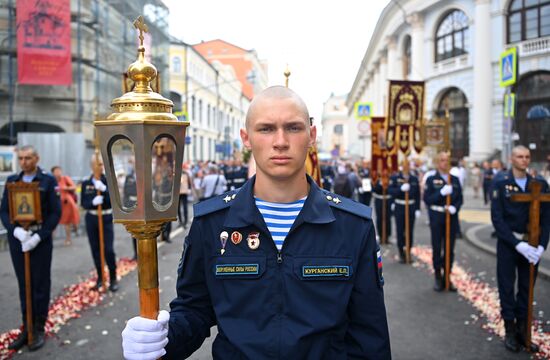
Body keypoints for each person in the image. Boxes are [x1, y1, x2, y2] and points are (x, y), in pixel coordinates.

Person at [121, 86, 391, 359]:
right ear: (246, 138)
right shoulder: (213, 223)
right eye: (266, 129)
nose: (281, 141)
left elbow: (369, 334)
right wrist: (162, 339)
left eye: (293, 128)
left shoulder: (352, 225)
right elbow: (195, 309)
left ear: (312, 136)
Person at [0, 145, 61, 351]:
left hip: (39, 241)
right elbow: (5, 211)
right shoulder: (12, 181)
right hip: (19, 239)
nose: (24, 162)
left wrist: (38, 236)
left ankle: (38, 327)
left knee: (40, 285)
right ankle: (26, 327)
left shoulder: (48, 180)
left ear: (36, 158)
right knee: (24, 284)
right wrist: (14, 231)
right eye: (21, 158)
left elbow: (55, 212)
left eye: (28, 158)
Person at [491, 145, 549, 353]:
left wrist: (541, 245)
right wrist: (518, 244)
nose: (524, 160)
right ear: (511, 158)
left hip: (532, 245)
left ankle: (524, 331)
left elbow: (546, 218)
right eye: (519, 156)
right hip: (509, 244)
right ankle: (510, 330)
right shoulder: (500, 183)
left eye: (527, 157)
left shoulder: (539, 184)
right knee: (507, 287)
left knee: (527, 288)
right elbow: (497, 219)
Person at [423, 151, 463, 292]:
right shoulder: (431, 179)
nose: (444, 163)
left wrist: (455, 207)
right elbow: (427, 199)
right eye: (441, 160)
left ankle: (447, 275)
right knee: (437, 246)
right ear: (437, 162)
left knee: (449, 248)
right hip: (437, 216)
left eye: (446, 160)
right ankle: (438, 277)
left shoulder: (455, 179)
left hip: (450, 216)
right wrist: (441, 193)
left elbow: (460, 198)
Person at [81, 154, 118, 292]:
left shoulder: (108, 181)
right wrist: (92, 202)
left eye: (102, 164)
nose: (100, 167)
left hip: (106, 218)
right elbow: (83, 203)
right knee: (95, 250)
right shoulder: (86, 183)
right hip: (92, 218)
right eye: (98, 164)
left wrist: (105, 190)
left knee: (108, 250)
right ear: (92, 166)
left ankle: (113, 278)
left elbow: (115, 202)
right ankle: (100, 278)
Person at [388, 160, 421, 263]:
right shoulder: (395, 178)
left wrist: (417, 208)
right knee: (400, 230)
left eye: (408, 165)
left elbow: (418, 195)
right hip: (400, 206)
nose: (406, 167)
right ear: (401, 166)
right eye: (404, 165)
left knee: (409, 231)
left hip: (410, 206)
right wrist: (400, 189)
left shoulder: (414, 179)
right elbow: (390, 191)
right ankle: (401, 252)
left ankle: (408, 250)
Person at [52, 166, 80, 246]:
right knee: (53, 221)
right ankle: (50, 240)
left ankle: (68, 238)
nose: (58, 172)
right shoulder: (52, 180)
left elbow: (74, 187)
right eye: (56, 171)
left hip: (66, 203)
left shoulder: (65, 178)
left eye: (59, 170)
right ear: (53, 173)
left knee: (67, 221)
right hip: (56, 203)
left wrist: (65, 188)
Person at [372, 169, 393, 243]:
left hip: (388, 200)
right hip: (379, 200)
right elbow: (373, 189)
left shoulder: (391, 179)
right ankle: (381, 236)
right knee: (380, 218)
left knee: (388, 218)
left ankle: (387, 236)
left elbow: (392, 189)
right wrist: (380, 185)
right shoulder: (376, 178)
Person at [178, 163, 194, 228]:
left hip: (181, 192)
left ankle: (183, 221)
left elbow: (190, 182)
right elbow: (190, 183)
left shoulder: (184, 174)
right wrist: (189, 189)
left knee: (181, 207)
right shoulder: (186, 173)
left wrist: (189, 189)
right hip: (183, 191)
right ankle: (183, 220)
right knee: (182, 207)